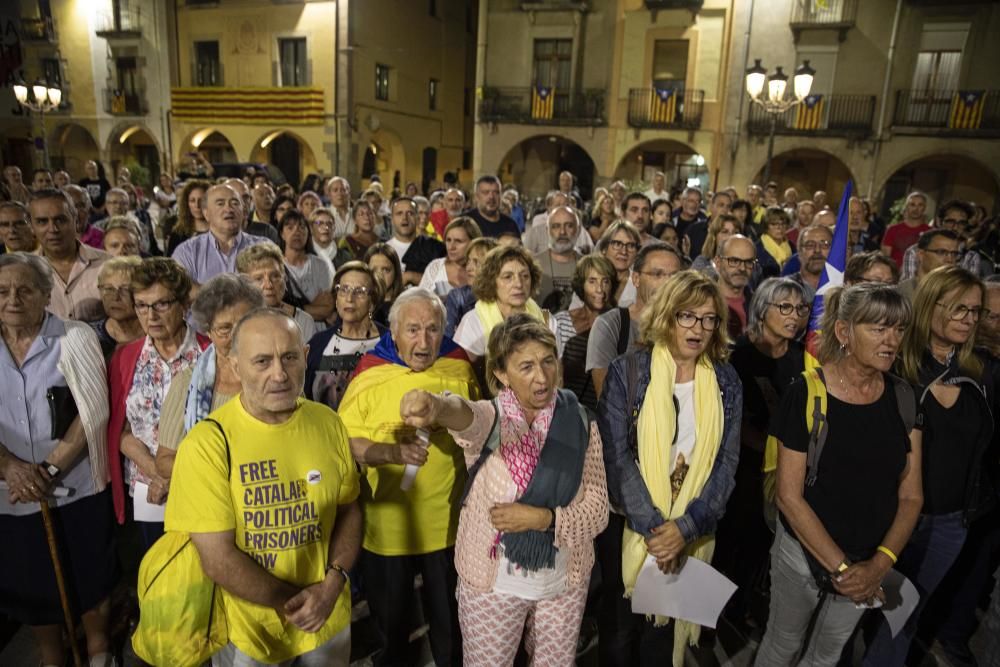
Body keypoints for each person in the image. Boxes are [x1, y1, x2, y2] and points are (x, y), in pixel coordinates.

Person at [398, 313, 609, 665]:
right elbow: (461, 413)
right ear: (500, 374)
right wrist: (435, 406)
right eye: (525, 367)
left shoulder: (580, 421)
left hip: (563, 584)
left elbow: (598, 508)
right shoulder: (492, 421)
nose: (541, 377)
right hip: (494, 587)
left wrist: (544, 519)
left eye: (547, 362)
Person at [165, 308, 362, 667]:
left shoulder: (328, 423)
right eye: (262, 361)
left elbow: (349, 508)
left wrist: (331, 585)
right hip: (251, 633)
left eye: (288, 357)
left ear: (305, 358)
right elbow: (218, 559)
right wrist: (302, 603)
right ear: (236, 367)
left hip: (327, 618)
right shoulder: (208, 444)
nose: (279, 374)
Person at [756, 283, 922, 666]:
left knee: (828, 655)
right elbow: (788, 497)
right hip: (803, 556)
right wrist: (845, 570)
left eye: (898, 329)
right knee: (783, 647)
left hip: (871, 559)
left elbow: (911, 496)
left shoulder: (904, 397)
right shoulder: (806, 394)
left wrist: (877, 565)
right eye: (878, 328)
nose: (891, 340)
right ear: (844, 332)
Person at [597, 270, 743, 667]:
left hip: (691, 528)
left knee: (661, 645)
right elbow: (616, 456)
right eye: (687, 316)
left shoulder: (726, 380)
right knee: (621, 634)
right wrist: (659, 532)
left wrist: (686, 529)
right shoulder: (629, 371)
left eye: (709, 318)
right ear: (667, 316)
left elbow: (726, 464)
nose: (699, 328)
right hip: (632, 525)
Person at [863, 266, 997, 667]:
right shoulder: (897, 364)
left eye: (975, 311)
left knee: (905, 615)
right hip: (890, 516)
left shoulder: (982, 369)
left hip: (949, 523)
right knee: (862, 611)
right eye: (958, 309)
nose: (968, 319)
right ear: (930, 305)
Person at [338, 289, 479, 667]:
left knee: (452, 633)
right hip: (388, 529)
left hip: (448, 527)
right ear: (394, 333)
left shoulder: (459, 366)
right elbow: (347, 441)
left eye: (433, 329)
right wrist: (392, 453)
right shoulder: (370, 371)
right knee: (394, 637)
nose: (424, 340)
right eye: (413, 330)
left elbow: (481, 428)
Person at [0, 253, 115, 667]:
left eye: (25, 290)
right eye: (2, 291)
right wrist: (12, 469)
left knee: (88, 574)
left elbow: (93, 412)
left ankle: (99, 649)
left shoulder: (74, 335)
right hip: (11, 492)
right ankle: (52, 657)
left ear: (47, 295)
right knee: (31, 581)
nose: (13, 299)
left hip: (75, 484)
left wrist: (48, 470)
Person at [714, 278, 809, 628]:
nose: (794, 316)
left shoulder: (803, 360)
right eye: (784, 307)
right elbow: (728, 419)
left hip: (785, 471)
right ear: (761, 309)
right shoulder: (738, 356)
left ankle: (740, 606)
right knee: (730, 540)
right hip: (742, 468)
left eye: (800, 309)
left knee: (760, 545)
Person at [106, 258, 210, 537]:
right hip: (149, 494)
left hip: (203, 485)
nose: (150, 315)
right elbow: (120, 431)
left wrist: (174, 474)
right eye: (141, 305)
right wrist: (157, 472)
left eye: (161, 304)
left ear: (184, 304)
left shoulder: (211, 354)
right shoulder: (124, 359)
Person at [154, 273, 264, 478]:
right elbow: (164, 461)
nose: (237, 336)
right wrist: (225, 471)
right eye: (224, 329)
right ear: (208, 331)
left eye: (244, 324)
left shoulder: (278, 377)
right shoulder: (186, 383)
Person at [586, 242, 683, 398]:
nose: (668, 283)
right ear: (636, 278)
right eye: (657, 274)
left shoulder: (689, 325)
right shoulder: (610, 324)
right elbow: (606, 399)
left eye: (675, 276)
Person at [454, 244, 563, 361]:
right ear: (491, 282)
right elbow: (459, 373)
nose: (519, 284)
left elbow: (558, 374)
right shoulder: (473, 323)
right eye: (508, 277)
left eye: (525, 276)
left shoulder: (547, 321)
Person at [304, 261, 385, 411]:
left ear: (372, 302)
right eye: (344, 290)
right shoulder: (318, 343)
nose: (349, 298)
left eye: (359, 291)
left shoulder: (390, 343)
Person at [29, 188, 109, 323]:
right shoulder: (25, 270)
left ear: (75, 220)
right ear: (32, 226)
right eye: (42, 222)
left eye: (60, 220)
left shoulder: (107, 264)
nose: (53, 229)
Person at [171, 183, 268, 287]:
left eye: (235, 203)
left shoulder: (264, 247)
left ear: (243, 211)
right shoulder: (187, 252)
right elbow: (182, 292)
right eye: (220, 204)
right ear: (206, 213)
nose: (229, 209)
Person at [553, 255, 617, 411]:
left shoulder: (619, 323)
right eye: (592, 281)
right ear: (581, 285)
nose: (600, 289)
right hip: (569, 408)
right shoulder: (560, 322)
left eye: (605, 281)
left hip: (607, 409)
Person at [237, 242, 322, 342]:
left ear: (285, 278)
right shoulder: (237, 321)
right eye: (259, 278)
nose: (269, 285)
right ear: (245, 284)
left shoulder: (304, 321)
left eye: (275, 276)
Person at [278, 209, 335, 322]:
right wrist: (314, 306)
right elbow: (280, 310)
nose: (297, 232)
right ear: (282, 234)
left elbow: (327, 309)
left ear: (308, 233)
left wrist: (295, 310)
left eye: (302, 227)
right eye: (290, 228)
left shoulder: (321, 265)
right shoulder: (277, 267)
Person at [91, 255, 144, 358]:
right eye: (108, 289)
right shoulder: (91, 337)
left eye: (125, 289)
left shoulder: (156, 333)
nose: (116, 297)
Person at [445, 236, 498, 338]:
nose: (468, 268)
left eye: (476, 262)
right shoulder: (457, 297)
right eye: (468, 261)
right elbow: (448, 341)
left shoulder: (505, 296)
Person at [385, 196, 445, 285]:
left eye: (410, 213)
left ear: (416, 217)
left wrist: (411, 276)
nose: (405, 218)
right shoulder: (383, 251)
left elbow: (444, 283)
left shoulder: (436, 248)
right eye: (399, 213)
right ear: (392, 219)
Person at [534, 205, 583, 312]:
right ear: (547, 230)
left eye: (569, 226)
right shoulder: (532, 264)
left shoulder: (589, 266)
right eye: (556, 226)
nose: (562, 232)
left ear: (578, 230)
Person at [419, 217, 481, 298]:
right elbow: (420, 299)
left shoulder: (482, 269)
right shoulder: (436, 267)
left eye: (458, 241)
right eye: (448, 240)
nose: (451, 247)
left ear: (473, 242)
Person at [897, 229, 962, 301]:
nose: (950, 259)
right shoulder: (901, 294)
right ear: (921, 255)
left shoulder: (962, 293)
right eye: (941, 252)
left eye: (954, 254)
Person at [714, 235, 758, 339]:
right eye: (734, 261)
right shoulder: (702, 302)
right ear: (718, 263)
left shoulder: (760, 305)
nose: (742, 268)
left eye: (748, 262)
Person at [882, 191, 931, 269]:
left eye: (920, 205)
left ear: (924, 208)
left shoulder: (930, 232)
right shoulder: (893, 230)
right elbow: (885, 257)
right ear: (906, 206)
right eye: (912, 204)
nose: (916, 209)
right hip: (896, 275)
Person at [597, 221, 641, 307]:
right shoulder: (587, 278)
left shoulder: (641, 284)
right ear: (604, 248)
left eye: (630, 246)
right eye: (617, 244)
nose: (624, 251)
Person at [225, 177, 280, 245]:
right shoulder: (213, 236)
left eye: (245, 197)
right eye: (235, 199)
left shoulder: (268, 232)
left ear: (251, 200)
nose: (243, 204)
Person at [163, 179, 210, 256]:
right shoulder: (178, 234)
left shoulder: (220, 232)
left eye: (201, 200)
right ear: (187, 204)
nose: (197, 206)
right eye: (192, 200)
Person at [788, 224, 833, 301]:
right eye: (810, 245)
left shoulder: (842, 287)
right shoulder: (785, 289)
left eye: (824, 244)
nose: (817, 250)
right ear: (799, 252)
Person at [684, 191, 733, 258]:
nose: (725, 210)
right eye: (721, 205)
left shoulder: (734, 232)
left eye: (728, 206)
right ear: (711, 206)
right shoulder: (694, 229)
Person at [364, 242, 404, 326]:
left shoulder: (407, 304)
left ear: (396, 272)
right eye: (373, 270)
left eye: (385, 270)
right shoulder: (358, 304)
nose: (379, 275)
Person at [757, 206, 794, 279]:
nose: (779, 227)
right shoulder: (757, 249)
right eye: (774, 224)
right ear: (766, 226)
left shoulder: (792, 247)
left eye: (783, 224)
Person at [63, 184, 104, 250]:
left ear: (89, 210)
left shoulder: (103, 238)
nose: (75, 213)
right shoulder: (52, 239)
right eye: (68, 207)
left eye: (80, 206)